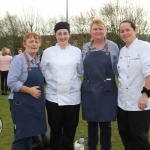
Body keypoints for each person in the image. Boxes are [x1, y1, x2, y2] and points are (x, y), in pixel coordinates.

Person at [40, 21, 83, 150]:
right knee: (55, 129)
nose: (62, 36)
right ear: (55, 35)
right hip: (53, 97)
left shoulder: (77, 51)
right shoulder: (48, 52)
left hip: (73, 97)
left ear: (69, 34)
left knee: (70, 129)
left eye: (65, 33)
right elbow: (42, 71)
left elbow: (81, 71)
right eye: (59, 34)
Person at [81, 19, 119, 150]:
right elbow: (81, 69)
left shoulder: (113, 47)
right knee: (91, 123)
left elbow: (117, 69)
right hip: (89, 89)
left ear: (105, 30)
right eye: (95, 29)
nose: (98, 31)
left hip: (106, 90)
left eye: (100, 29)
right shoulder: (85, 47)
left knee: (105, 124)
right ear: (91, 31)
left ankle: (106, 147)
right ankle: (92, 147)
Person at [7, 32, 47, 150]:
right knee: (21, 138)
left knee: (30, 138)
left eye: (36, 41)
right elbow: (11, 82)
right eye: (30, 41)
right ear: (24, 44)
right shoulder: (18, 60)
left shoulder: (37, 61)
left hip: (35, 105)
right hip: (21, 105)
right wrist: (29, 90)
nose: (34, 44)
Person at [117, 20, 150, 150]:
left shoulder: (145, 46)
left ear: (135, 30)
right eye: (122, 31)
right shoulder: (122, 51)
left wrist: (145, 94)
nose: (125, 33)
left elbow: (149, 73)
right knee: (125, 135)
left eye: (127, 30)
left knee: (139, 136)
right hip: (123, 103)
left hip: (139, 102)